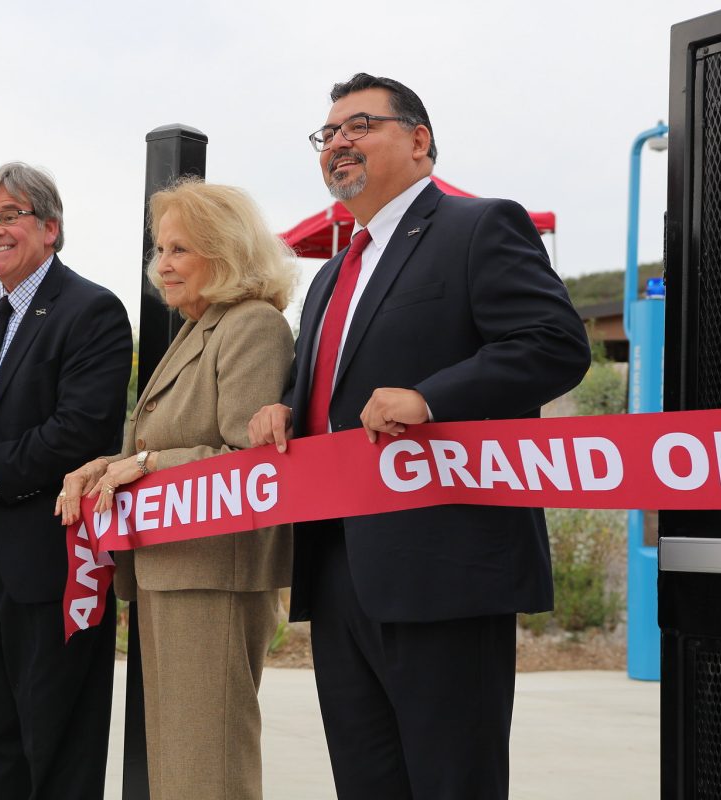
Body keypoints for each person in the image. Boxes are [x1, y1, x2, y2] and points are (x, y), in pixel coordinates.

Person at [248, 73, 591, 799]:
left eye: (360, 126)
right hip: (339, 565)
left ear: (418, 140)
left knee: (449, 781)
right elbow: (335, 384)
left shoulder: (479, 225)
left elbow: (554, 344)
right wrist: (284, 404)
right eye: (328, 133)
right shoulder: (333, 273)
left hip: (446, 566)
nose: (339, 142)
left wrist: (432, 398)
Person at [59, 177, 296, 800]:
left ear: (226, 252)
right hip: (170, 566)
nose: (160, 266)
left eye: (178, 250)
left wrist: (145, 461)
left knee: (206, 763)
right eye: (159, 250)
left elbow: (248, 459)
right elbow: (156, 450)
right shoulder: (198, 328)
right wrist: (100, 466)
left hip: (215, 569)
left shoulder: (251, 326)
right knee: (176, 761)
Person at [0, 162, 131, 799]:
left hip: (52, 555)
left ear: (50, 228)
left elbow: (83, 428)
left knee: (57, 741)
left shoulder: (91, 310)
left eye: (9, 216)